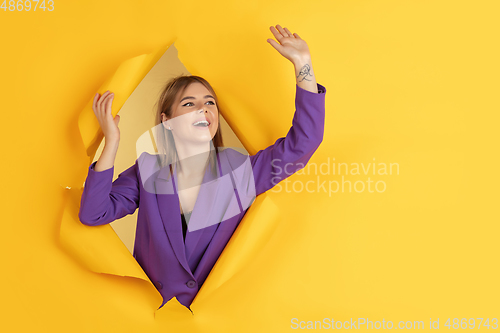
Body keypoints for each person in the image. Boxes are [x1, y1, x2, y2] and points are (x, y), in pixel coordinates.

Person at [78, 24, 327, 312]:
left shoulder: (240, 174)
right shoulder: (147, 171)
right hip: (149, 318)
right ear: (167, 120)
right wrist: (111, 142)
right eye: (189, 103)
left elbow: (303, 142)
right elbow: (94, 213)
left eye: (209, 103)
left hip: (217, 318)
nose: (203, 109)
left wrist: (303, 65)